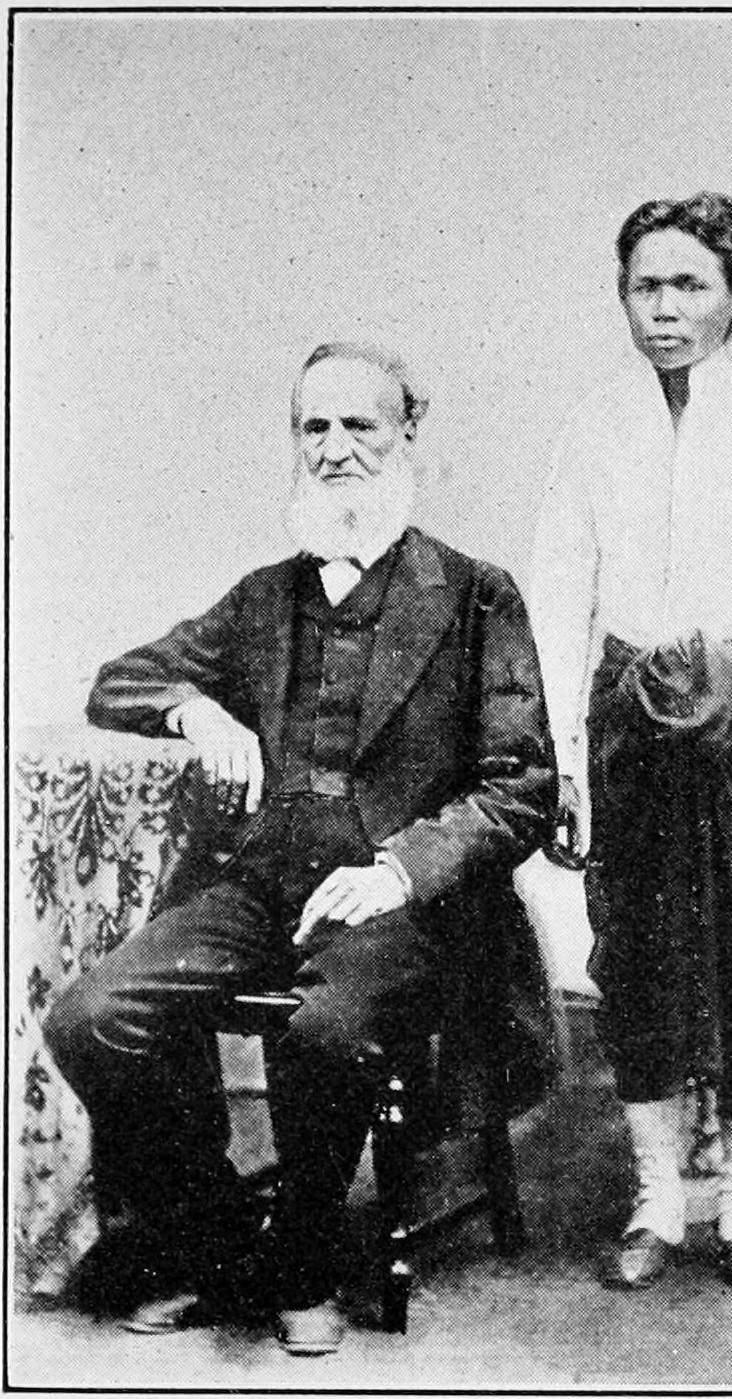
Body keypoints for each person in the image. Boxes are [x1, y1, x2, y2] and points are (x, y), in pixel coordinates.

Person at [44, 341, 557, 1353]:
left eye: (358, 424)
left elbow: (521, 789)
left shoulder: (475, 595)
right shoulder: (263, 597)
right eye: (312, 426)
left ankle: (306, 1257)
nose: (333, 448)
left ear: (407, 432)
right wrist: (192, 707)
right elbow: (118, 679)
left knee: (323, 1029)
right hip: (260, 885)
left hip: (402, 906)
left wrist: (397, 871)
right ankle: (218, 1239)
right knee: (94, 1016)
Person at [530, 193, 732, 1291]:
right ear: (621, 298)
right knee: (640, 951)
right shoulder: (593, 426)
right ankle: (657, 1202)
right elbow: (557, 595)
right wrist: (565, 760)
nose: (663, 308)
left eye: (688, 285)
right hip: (629, 713)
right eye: (644, 286)